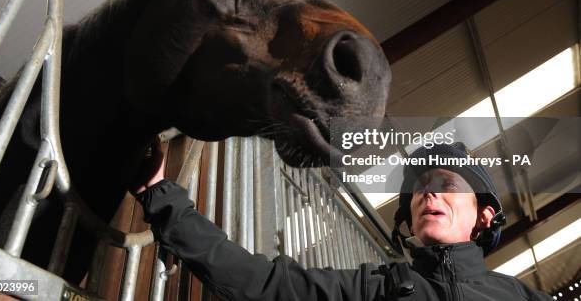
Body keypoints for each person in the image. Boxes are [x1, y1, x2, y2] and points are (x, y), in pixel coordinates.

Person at [133, 142, 552, 300]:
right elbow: (261, 283)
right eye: (419, 187)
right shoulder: (376, 288)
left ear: (485, 216)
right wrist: (162, 196)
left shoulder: (520, 297)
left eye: (447, 183)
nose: (429, 192)